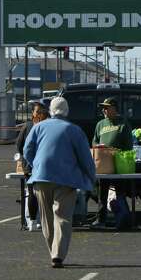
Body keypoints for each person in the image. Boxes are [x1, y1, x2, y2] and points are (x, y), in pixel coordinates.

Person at [23, 97, 96, 269]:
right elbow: (85, 158)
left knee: (46, 219)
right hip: (66, 179)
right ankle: (58, 254)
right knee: (62, 217)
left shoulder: (38, 127)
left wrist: (37, 164)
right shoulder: (74, 130)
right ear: (67, 111)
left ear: (50, 110)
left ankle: (53, 251)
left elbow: (27, 150)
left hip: (41, 177)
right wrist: (91, 177)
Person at [91, 97, 133, 228]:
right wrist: (99, 147)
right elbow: (94, 141)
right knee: (102, 194)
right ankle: (101, 220)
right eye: (103, 107)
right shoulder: (100, 124)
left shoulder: (123, 124)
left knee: (120, 193)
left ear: (114, 108)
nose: (104, 110)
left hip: (119, 165)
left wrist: (116, 152)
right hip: (103, 164)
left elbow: (129, 146)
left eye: (106, 107)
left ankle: (123, 220)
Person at [16, 100, 50, 231]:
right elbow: (19, 145)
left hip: (43, 166)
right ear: (33, 114)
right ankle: (31, 221)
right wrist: (26, 159)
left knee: (43, 193)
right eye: (37, 112)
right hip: (30, 166)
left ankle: (42, 220)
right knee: (31, 193)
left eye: (42, 112)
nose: (39, 114)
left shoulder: (47, 126)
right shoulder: (28, 126)